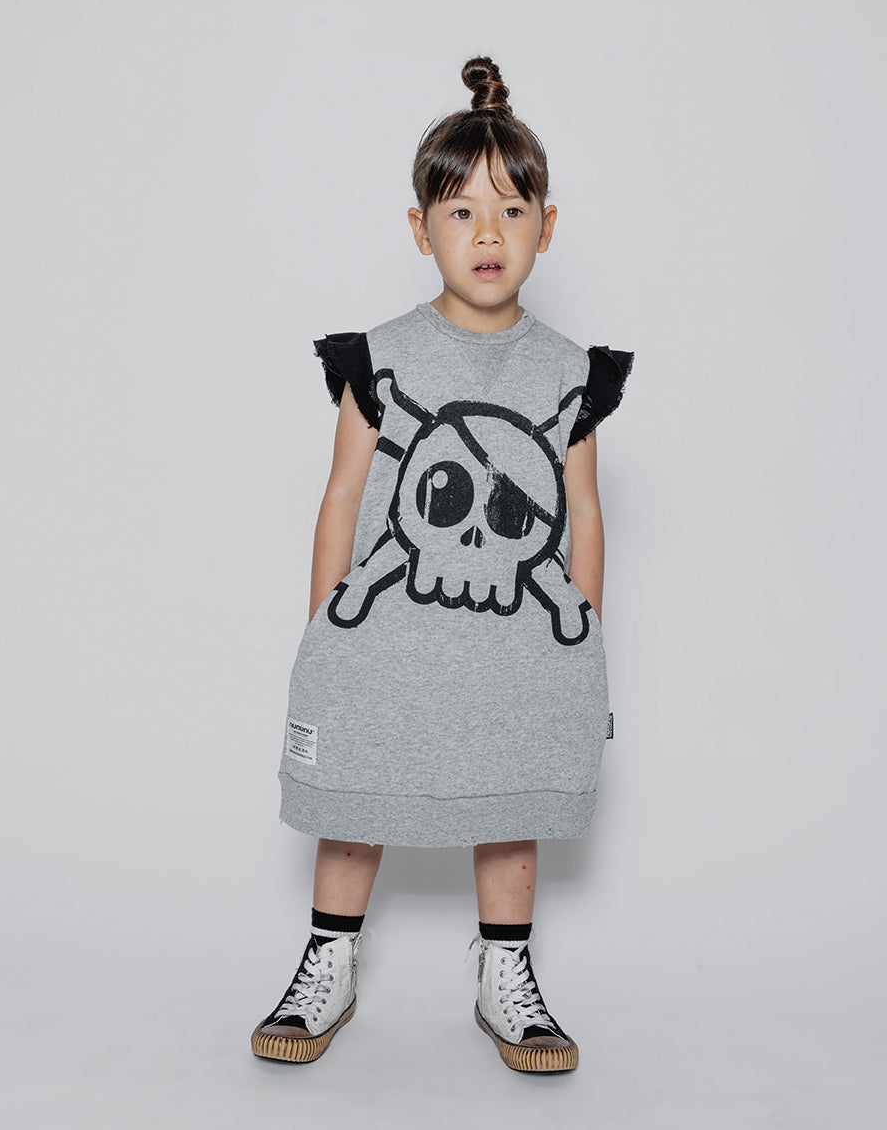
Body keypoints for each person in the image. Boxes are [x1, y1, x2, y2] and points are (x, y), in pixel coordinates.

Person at [251, 56, 631, 1074]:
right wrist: (326, 622)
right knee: (355, 796)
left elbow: (585, 509)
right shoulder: (378, 360)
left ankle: (506, 972)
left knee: (509, 801)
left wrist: (582, 637)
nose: (489, 233)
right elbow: (343, 493)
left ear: (548, 226)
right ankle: (330, 957)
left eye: (512, 210)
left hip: (517, 646)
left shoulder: (570, 374)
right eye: (462, 212)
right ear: (421, 230)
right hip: (385, 640)